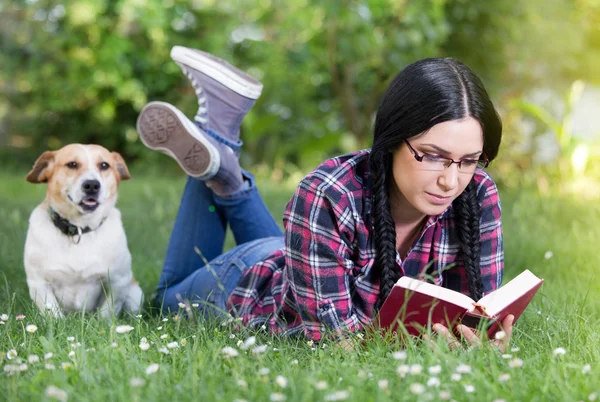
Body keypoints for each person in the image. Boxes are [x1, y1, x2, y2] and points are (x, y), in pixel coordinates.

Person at [136, 45, 514, 351]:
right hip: (248, 282)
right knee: (164, 298)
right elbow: (339, 344)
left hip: (301, 257)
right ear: (393, 138)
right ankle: (220, 150)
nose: (451, 181)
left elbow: (474, 314)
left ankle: (223, 160)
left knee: (284, 248)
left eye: (468, 161)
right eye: (432, 155)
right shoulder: (329, 194)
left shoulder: (477, 193)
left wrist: (481, 340)